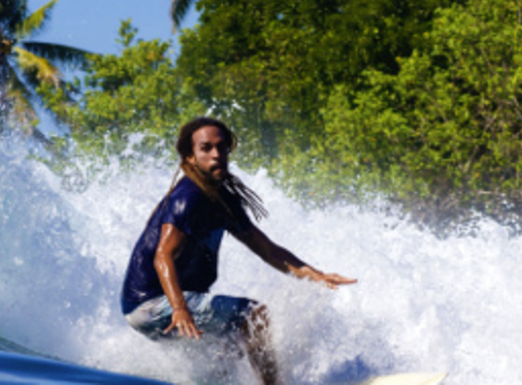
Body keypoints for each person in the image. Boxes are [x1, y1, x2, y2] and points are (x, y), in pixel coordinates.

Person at [120, 117, 356, 385]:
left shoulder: (222, 199)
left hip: (159, 305)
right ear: (190, 157)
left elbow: (267, 250)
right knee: (254, 315)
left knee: (227, 351)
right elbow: (162, 255)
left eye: (221, 148)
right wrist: (180, 308)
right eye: (206, 149)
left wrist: (316, 275)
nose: (216, 155)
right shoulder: (189, 196)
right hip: (150, 303)